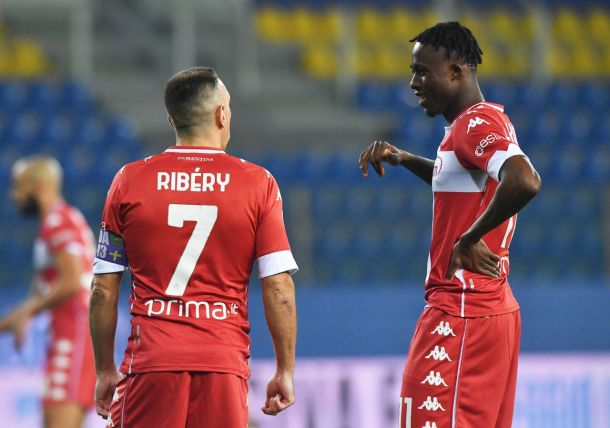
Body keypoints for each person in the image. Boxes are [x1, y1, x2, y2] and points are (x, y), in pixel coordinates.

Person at [89, 67, 298, 428]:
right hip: (223, 362)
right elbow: (279, 288)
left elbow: (102, 289)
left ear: (171, 118)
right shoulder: (257, 183)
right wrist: (285, 369)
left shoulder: (129, 180)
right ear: (221, 114)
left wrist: (104, 370)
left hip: (151, 361)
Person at [358, 22, 541, 428]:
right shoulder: (480, 124)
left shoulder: (472, 126)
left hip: (461, 311)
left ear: (456, 71)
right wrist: (407, 159)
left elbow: (524, 180)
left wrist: (469, 238)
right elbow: (467, 182)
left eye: (423, 72)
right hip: (492, 309)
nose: (414, 83)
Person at [0, 155, 96, 428]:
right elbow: (46, 291)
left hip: (74, 336)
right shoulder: (58, 220)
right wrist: (20, 316)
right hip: (66, 336)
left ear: (38, 186)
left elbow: (72, 281)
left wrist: (29, 311)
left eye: (19, 187)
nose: (14, 195)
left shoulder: (58, 222)